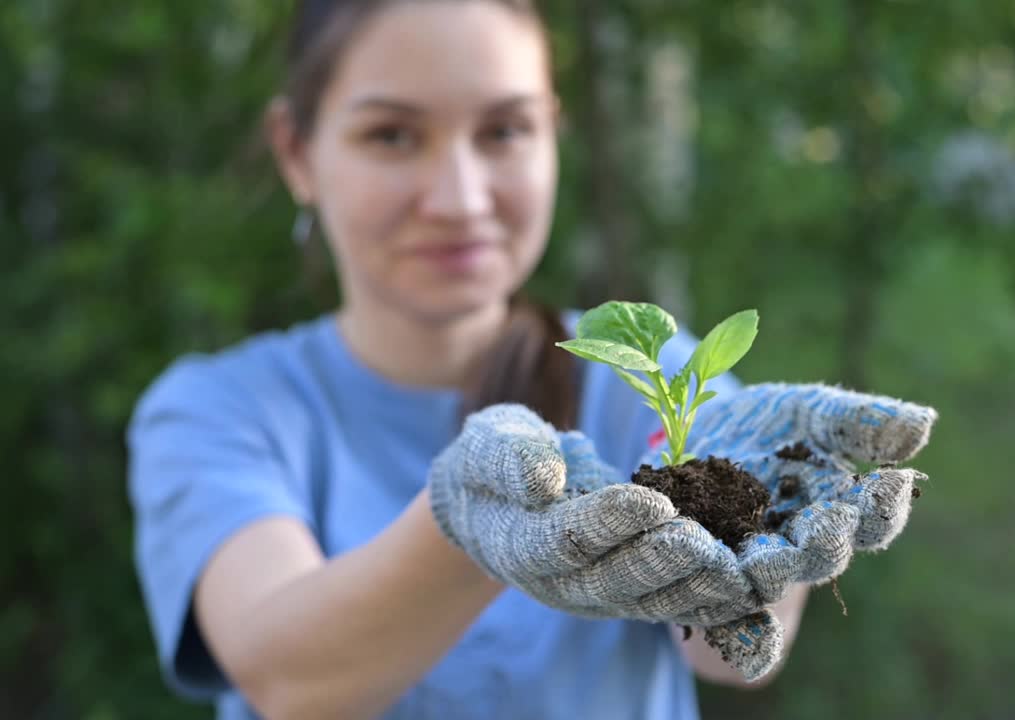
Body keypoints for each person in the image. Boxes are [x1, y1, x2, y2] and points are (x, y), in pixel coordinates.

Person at [126, 1, 938, 718]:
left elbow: (729, 646)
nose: (459, 198)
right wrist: (469, 526)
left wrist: (768, 514)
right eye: (392, 135)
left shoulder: (633, 371)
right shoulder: (217, 411)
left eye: (504, 130)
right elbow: (288, 680)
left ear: (554, 132)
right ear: (297, 152)